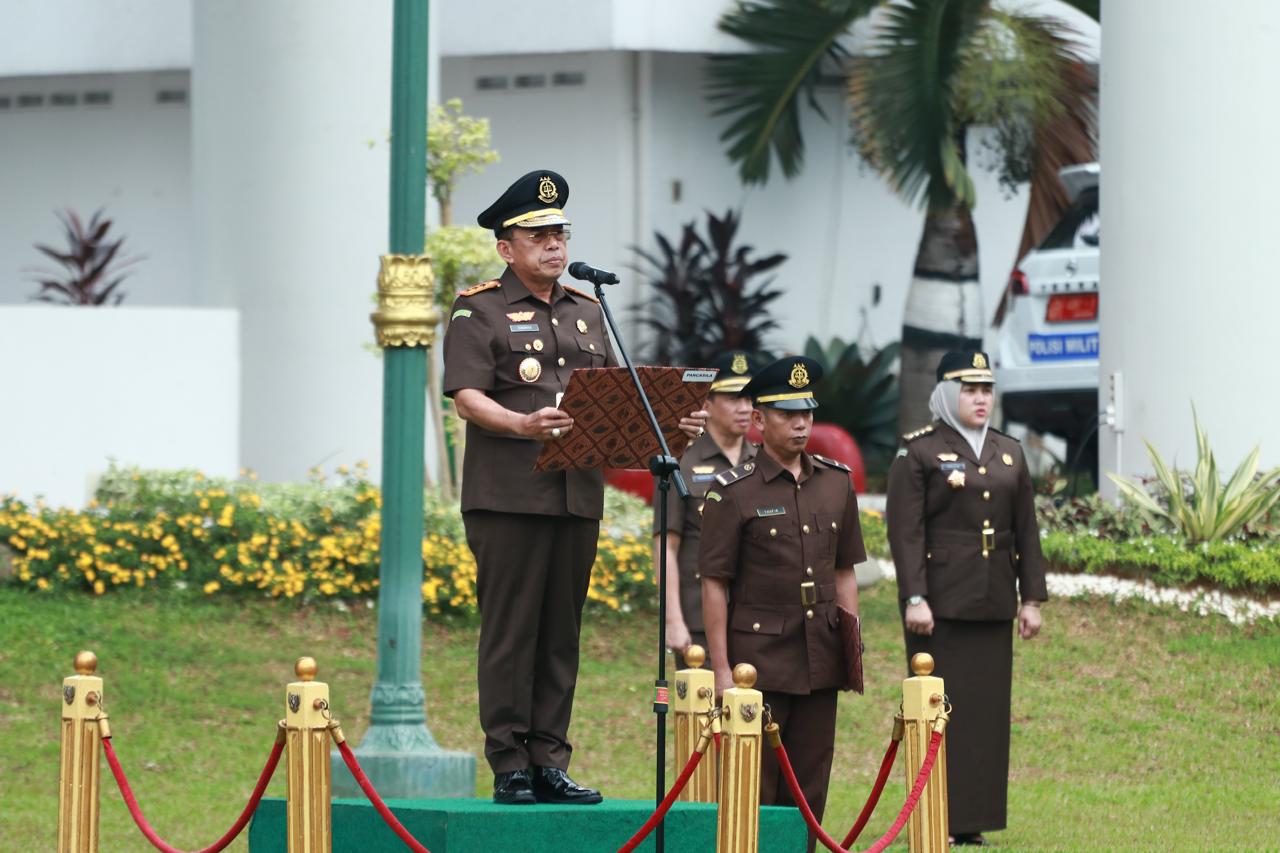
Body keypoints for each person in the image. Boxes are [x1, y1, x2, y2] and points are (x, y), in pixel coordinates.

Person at [443, 169, 708, 806]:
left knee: (562, 632)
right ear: (506, 247)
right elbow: (467, 398)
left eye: (560, 232)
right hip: (507, 497)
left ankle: (549, 759)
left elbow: (618, 405)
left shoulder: (590, 311)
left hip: (575, 495)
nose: (554, 245)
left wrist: (673, 424)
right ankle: (510, 761)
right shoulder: (478, 308)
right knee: (512, 632)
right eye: (538, 235)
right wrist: (521, 423)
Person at [698, 355, 865, 853]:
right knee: (758, 787)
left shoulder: (836, 483)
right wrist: (723, 671)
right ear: (758, 420)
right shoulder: (732, 492)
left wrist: (851, 650)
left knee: (810, 788)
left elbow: (844, 571)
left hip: (820, 658)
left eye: (807, 414)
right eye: (787, 414)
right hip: (760, 664)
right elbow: (714, 584)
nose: (800, 424)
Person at [886, 350, 1047, 847]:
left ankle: (972, 822)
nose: (980, 399)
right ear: (945, 394)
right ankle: (936, 816)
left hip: (994, 599)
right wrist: (914, 596)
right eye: (969, 390)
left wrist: (1032, 599)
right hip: (939, 606)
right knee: (941, 712)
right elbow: (905, 532)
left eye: (986, 390)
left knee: (985, 717)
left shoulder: (1008, 451)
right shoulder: (919, 451)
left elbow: (1026, 529)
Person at [654, 350, 760, 668]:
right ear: (707, 404)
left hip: (754, 617)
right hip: (697, 615)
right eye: (732, 398)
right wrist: (672, 619)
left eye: (748, 398)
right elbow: (665, 547)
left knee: (753, 713)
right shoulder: (681, 462)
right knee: (702, 714)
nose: (744, 408)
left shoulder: (763, 462)